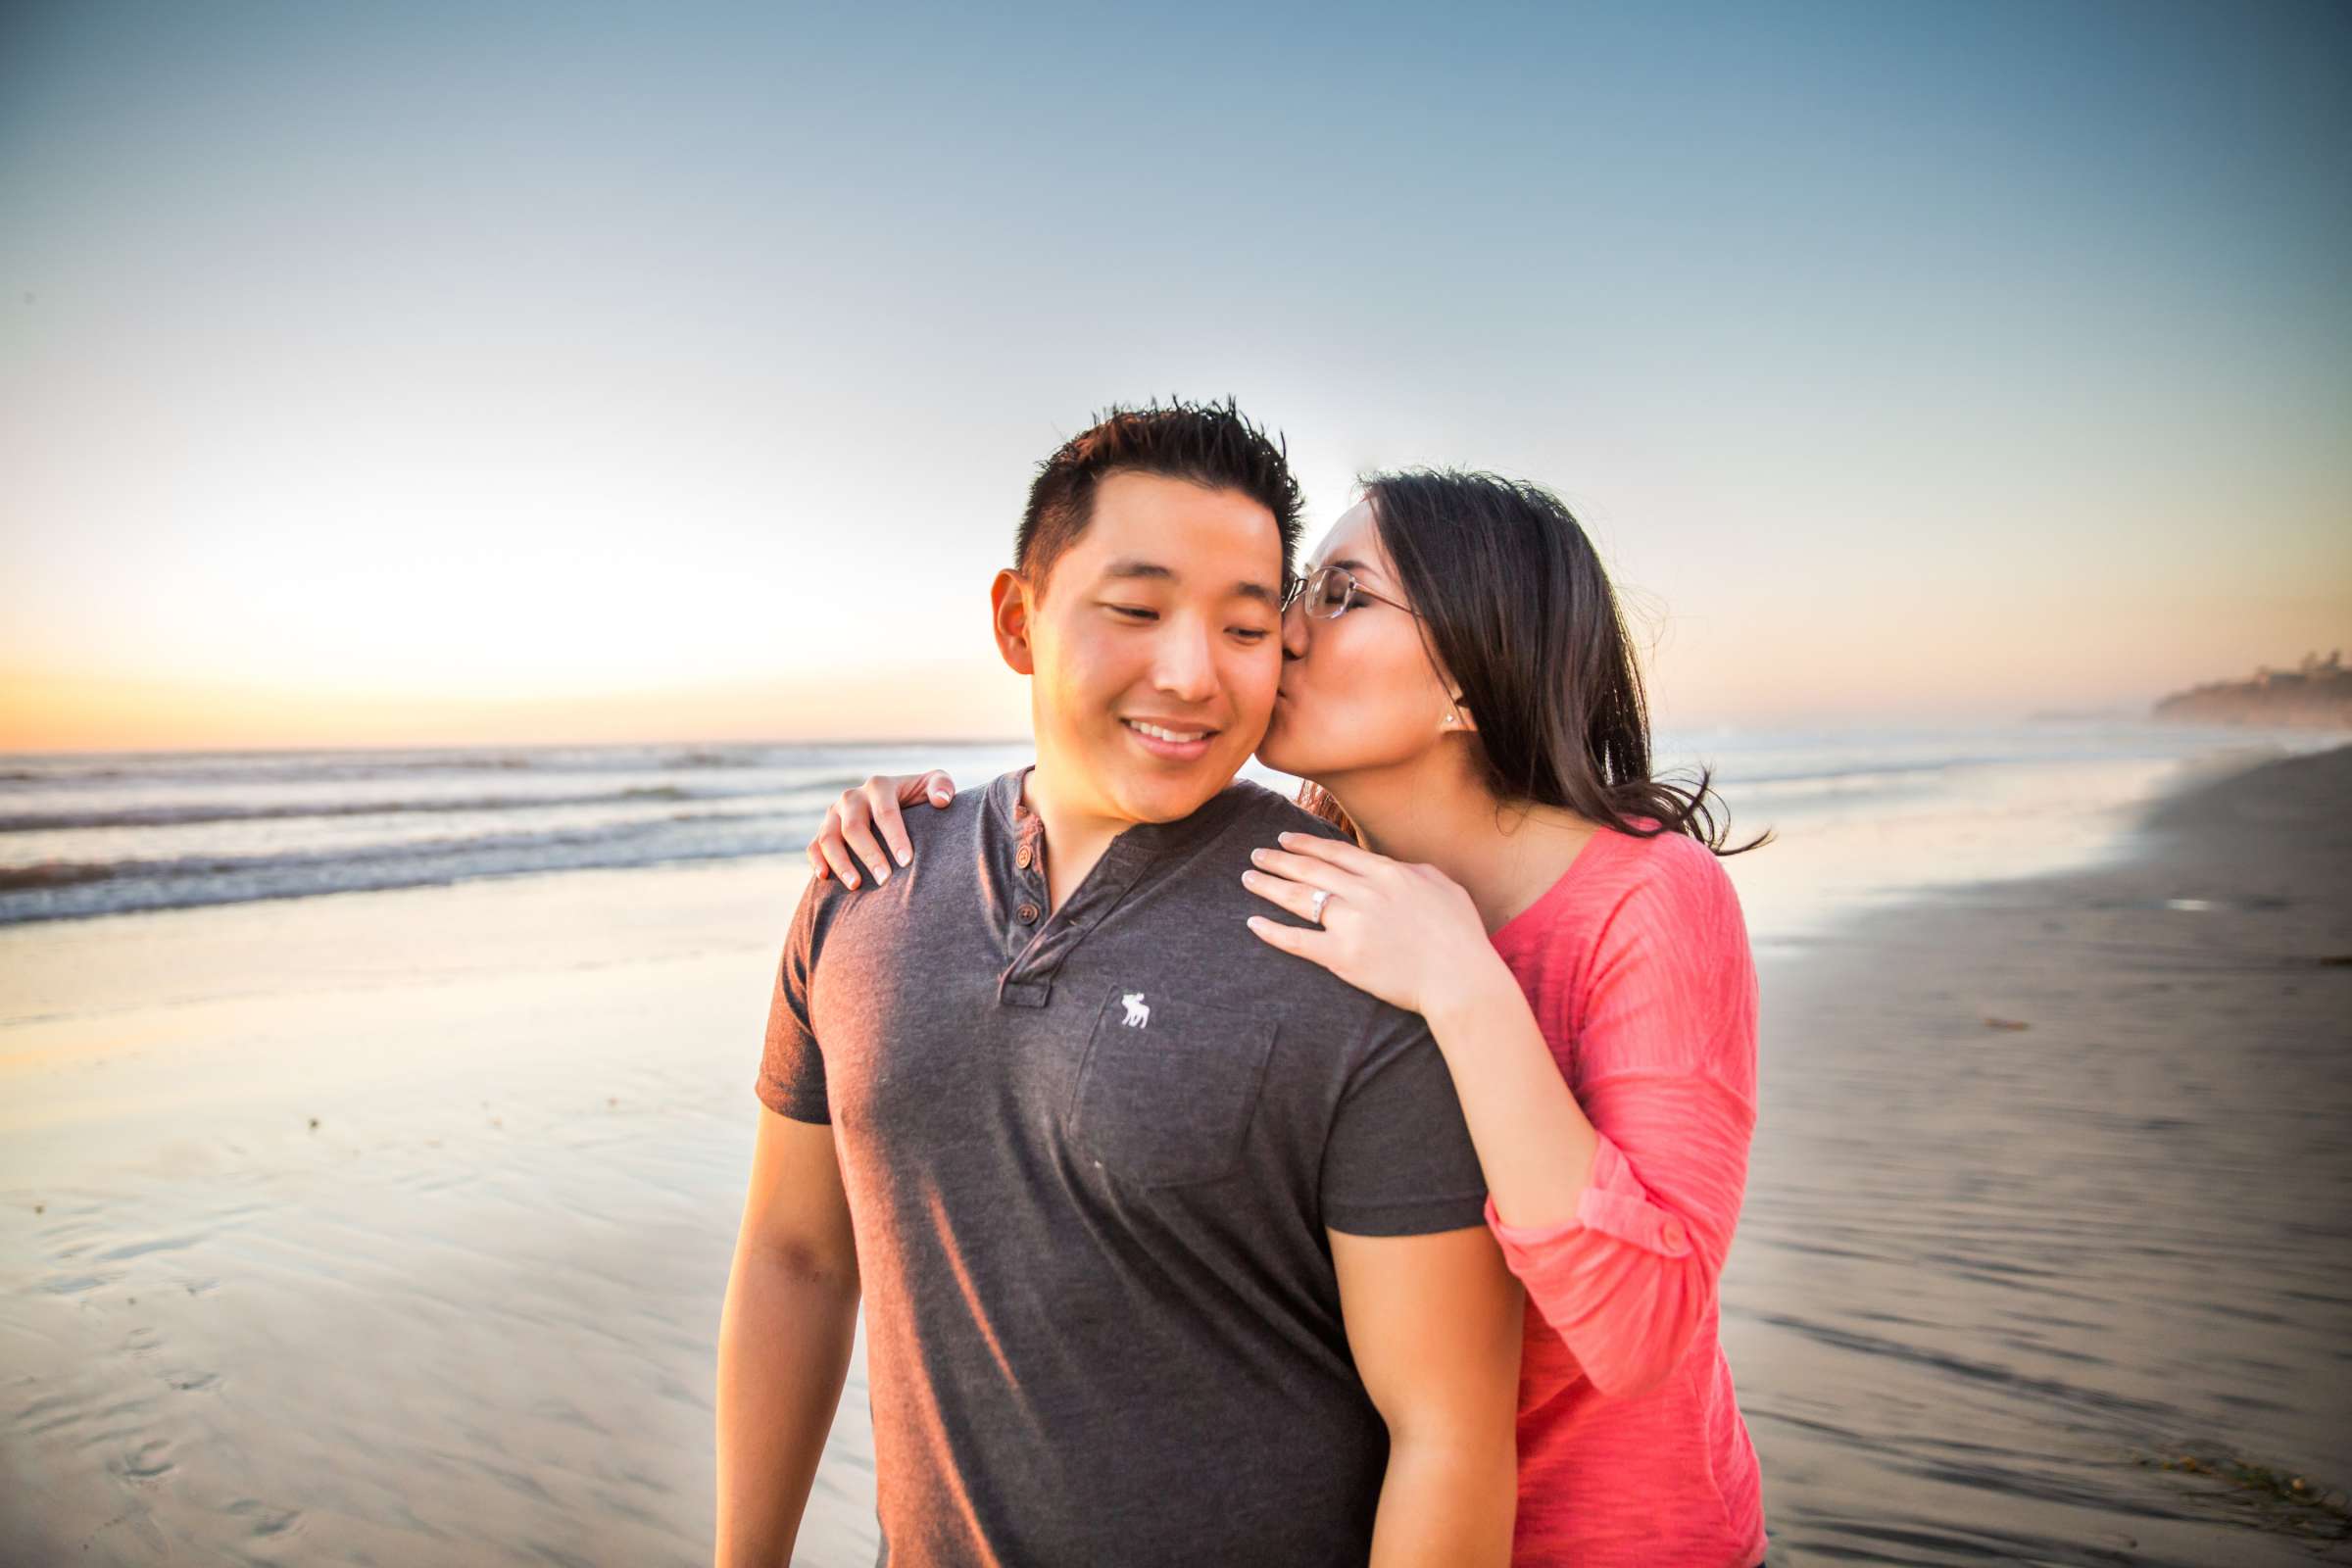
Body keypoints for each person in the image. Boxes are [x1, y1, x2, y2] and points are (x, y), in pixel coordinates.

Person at [815, 467, 1773, 1567]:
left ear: (1473, 675)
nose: (1287, 629)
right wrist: (919, 834)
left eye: (1343, 595)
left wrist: (1465, 985)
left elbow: (1643, 1331)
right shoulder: (1310, 877)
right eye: (1299, 589)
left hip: (1615, 1542)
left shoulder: (1649, 900)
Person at [716, 402, 1524, 1568]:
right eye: (1137, 610)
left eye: (1247, 629)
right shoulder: (865, 880)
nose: (1191, 672)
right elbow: (798, 1257)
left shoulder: (1354, 937)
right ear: (1019, 618)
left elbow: (1446, 1429)